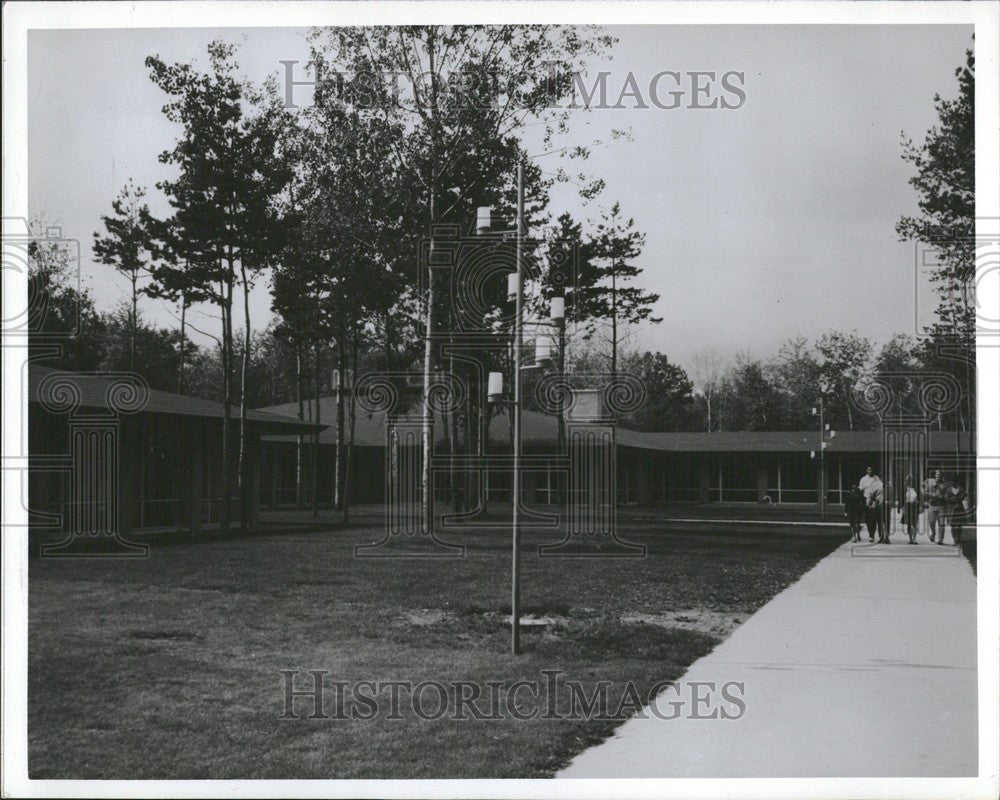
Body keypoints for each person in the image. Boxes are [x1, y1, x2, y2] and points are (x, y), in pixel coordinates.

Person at [924, 470, 947, 543]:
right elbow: (924, 493)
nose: (938, 476)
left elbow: (947, 495)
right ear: (935, 475)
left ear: (942, 476)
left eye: (940, 475)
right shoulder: (930, 482)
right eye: (937, 475)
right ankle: (933, 534)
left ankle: (940, 539)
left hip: (941, 506)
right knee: (931, 521)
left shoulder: (944, 485)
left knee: (942, 523)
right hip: (932, 505)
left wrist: (942, 496)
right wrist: (932, 495)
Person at [897, 474, 921, 544]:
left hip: (915, 506)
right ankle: (910, 539)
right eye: (908, 481)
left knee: (915, 523)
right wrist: (901, 508)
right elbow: (901, 499)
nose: (910, 482)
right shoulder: (904, 490)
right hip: (907, 507)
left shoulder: (916, 489)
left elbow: (920, 498)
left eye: (911, 480)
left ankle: (914, 538)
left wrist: (920, 504)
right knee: (909, 524)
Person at [864, 472, 885, 543]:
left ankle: (878, 536)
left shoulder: (885, 486)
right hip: (876, 506)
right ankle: (873, 536)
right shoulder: (876, 485)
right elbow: (871, 496)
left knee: (878, 522)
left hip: (881, 506)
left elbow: (870, 495)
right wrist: (869, 504)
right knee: (875, 522)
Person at [946, 476, 968, 546]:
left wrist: (957, 499)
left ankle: (958, 538)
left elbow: (963, 496)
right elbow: (946, 498)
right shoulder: (948, 489)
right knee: (952, 525)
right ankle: (954, 540)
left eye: (955, 481)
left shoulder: (961, 489)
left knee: (959, 525)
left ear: (957, 482)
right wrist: (951, 499)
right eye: (952, 481)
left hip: (959, 509)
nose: (953, 483)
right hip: (951, 509)